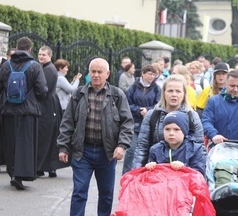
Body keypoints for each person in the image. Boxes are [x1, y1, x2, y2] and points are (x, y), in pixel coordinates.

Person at [57, 58, 134, 216]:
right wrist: (63, 147)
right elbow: (67, 122)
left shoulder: (117, 95)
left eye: (100, 72)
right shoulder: (78, 94)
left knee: (106, 194)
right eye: (93, 71)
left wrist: (122, 145)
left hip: (107, 153)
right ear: (89, 73)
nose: (96, 75)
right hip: (82, 152)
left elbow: (127, 123)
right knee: (79, 192)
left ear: (108, 74)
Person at [0, 37, 48, 190]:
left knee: (11, 142)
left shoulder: (6, 65)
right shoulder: (35, 66)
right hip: (28, 111)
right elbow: (42, 90)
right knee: (25, 144)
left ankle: (12, 172)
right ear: (30, 49)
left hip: (8, 111)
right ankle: (20, 175)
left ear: (16, 47)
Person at [132, 74, 204, 169]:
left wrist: (201, 178)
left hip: (184, 173)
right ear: (164, 93)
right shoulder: (152, 115)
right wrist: (135, 173)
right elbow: (142, 147)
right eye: (170, 91)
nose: (174, 94)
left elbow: (200, 149)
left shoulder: (192, 116)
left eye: (178, 91)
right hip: (155, 171)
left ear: (184, 94)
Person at [122, 65, 161, 175]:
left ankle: (143, 174)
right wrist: (139, 110)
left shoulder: (157, 89)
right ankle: (126, 175)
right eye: (149, 74)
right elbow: (127, 104)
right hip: (135, 123)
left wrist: (147, 110)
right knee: (131, 149)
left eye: (154, 74)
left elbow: (158, 105)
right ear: (143, 74)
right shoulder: (133, 87)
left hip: (150, 123)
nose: (152, 76)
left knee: (148, 150)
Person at [144, 111, 206, 177]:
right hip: (162, 185)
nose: (171, 133)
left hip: (186, 186)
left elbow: (200, 175)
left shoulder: (195, 149)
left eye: (176, 129)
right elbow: (149, 178)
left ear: (184, 131)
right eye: (167, 129)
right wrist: (150, 167)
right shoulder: (155, 150)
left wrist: (184, 167)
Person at [203, 70, 238, 144]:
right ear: (226, 84)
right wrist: (214, 134)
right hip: (219, 147)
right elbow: (206, 120)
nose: (235, 89)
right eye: (232, 86)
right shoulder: (213, 101)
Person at [36, 46, 65, 178]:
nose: (41, 57)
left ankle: (45, 167)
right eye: (40, 54)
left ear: (50, 56)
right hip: (49, 105)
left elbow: (43, 89)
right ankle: (46, 167)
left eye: (44, 55)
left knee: (46, 136)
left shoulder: (48, 69)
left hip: (48, 106)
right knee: (49, 136)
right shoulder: (46, 68)